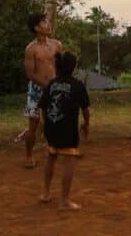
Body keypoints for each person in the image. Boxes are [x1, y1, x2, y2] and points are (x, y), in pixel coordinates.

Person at [37, 51, 90, 211]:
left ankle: (45, 193)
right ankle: (64, 201)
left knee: (51, 156)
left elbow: (43, 107)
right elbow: (86, 110)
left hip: (51, 126)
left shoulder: (51, 84)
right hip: (68, 129)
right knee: (69, 161)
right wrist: (86, 123)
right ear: (73, 68)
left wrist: (46, 124)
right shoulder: (78, 85)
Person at [19, 12, 64, 168]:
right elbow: (30, 73)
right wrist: (46, 86)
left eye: (47, 21)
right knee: (34, 124)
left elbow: (61, 66)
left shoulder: (57, 45)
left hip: (54, 88)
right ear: (36, 28)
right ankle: (29, 156)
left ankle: (53, 150)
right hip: (36, 91)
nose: (48, 24)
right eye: (44, 22)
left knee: (54, 121)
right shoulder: (31, 49)